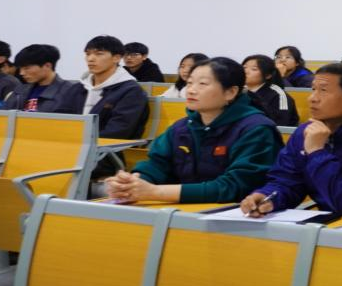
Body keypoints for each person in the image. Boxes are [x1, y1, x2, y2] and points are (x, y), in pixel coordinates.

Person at [105, 57, 282, 204]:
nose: (191, 90)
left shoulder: (256, 129)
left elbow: (234, 187)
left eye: (202, 84)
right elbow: (156, 164)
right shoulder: (182, 127)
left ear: (230, 92)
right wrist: (132, 183)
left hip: (236, 217)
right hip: (184, 210)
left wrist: (155, 192)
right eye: (189, 83)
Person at [241, 63, 342, 217]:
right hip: (323, 224)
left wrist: (317, 152)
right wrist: (269, 197)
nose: (312, 98)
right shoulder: (305, 131)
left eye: (323, 91)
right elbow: (287, 180)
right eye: (313, 89)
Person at [81, 36, 149, 138]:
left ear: (116, 58)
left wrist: (81, 140)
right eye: (87, 54)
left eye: (99, 54)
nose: (90, 59)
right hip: (67, 142)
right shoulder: (78, 88)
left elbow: (118, 131)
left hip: (102, 146)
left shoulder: (131, 91)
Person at [5, 44, 86, 113]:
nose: (21, 73)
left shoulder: (70, 91)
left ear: (47, 66)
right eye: (20, 68)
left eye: (27, 68)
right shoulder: (20, 90)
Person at [242, 54, 299, 126]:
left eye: (254, 69)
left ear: (268, 75)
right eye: (244, 67)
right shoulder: (239, 91)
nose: (246, 71)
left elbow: (280, 124)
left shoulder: (279, 95)